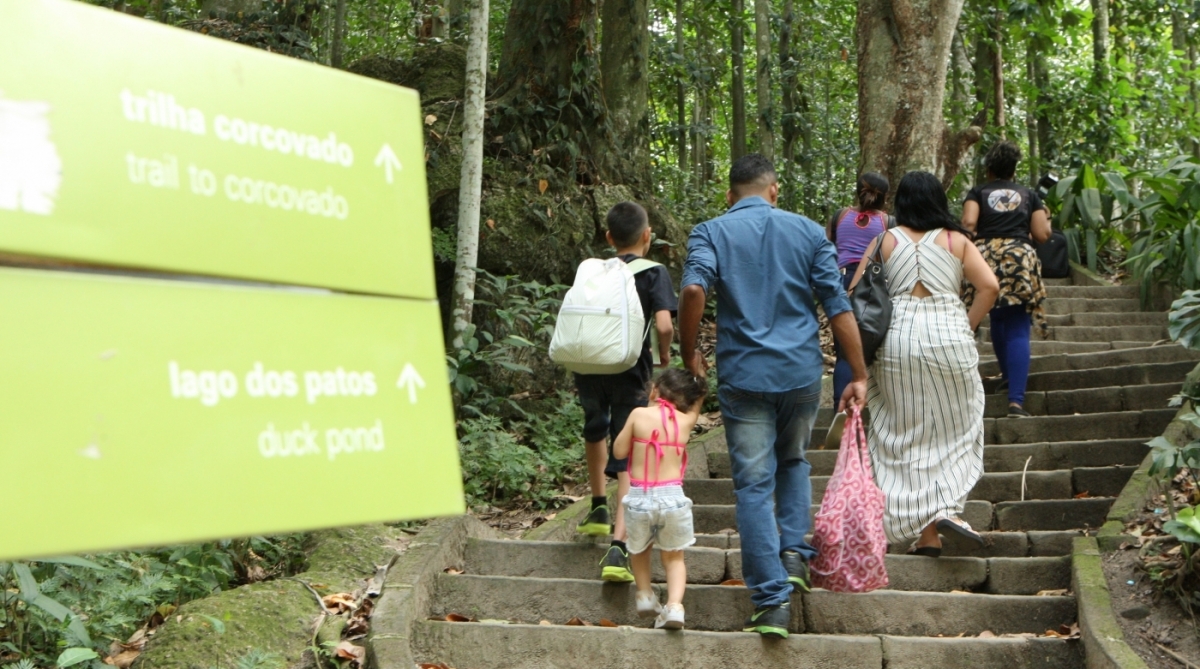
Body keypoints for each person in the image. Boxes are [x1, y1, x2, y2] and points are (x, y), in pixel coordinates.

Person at [678, 154, 868, 639]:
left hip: (744, 375)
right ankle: (792, 554)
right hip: (802, 373)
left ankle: (770, 602)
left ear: (730, 194)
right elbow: (836, 302)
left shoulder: (710, 231)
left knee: (753, 484)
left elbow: (694, 290)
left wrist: (689, 353)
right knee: (795, 461)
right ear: (774, 190)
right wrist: (859, 373)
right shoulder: (807, 231)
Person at [848, 171, 999, 556]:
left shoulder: (884, 240)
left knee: (900, 433)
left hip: (898, 341)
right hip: (950, 336)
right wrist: (966, 326)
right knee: (956, 429)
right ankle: (943, 513)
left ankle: (925, 530)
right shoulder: (957, 241)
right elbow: (990, 287)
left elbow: (853, 292)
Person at [574, 202, 677, 584]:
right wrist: (664, 355)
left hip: (588, 367)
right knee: (629, 450)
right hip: (629, 369)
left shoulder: (594, 270)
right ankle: (618, 547)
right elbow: (664, 325)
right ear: (647, 236)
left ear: (608, 238)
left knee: (595, 426)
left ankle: (598, 506)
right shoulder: (654, 273)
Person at [961, 141, 1052, 418]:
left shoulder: (978, 192)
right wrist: (1046, 215)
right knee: (1016, 324)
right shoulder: (1029, 194)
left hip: (984, 257)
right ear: (1014, 170)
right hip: (1018, 255)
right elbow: (1042, 234)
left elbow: (968, 225)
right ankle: (1016, 400)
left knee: (997, 319)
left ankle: (1009, 379)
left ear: (988, 170)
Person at [611, 368, 707, 630]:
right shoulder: (685, 421)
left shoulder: (639, 414)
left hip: (640, 497)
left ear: (654, 390)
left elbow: (619, 451)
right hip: (673, 498)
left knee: (639, 550)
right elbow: (696, 406)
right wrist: (700, 384)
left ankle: (644, 595)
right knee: (674, 558)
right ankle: (675, 607)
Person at [826, 172, 891, 407]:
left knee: (845, 350)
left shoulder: (840, 216)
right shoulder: (887, 222)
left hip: (842, 284)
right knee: (874, 346)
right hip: (873, 288)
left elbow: (827, 253)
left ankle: (839, 408)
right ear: (885, 198)